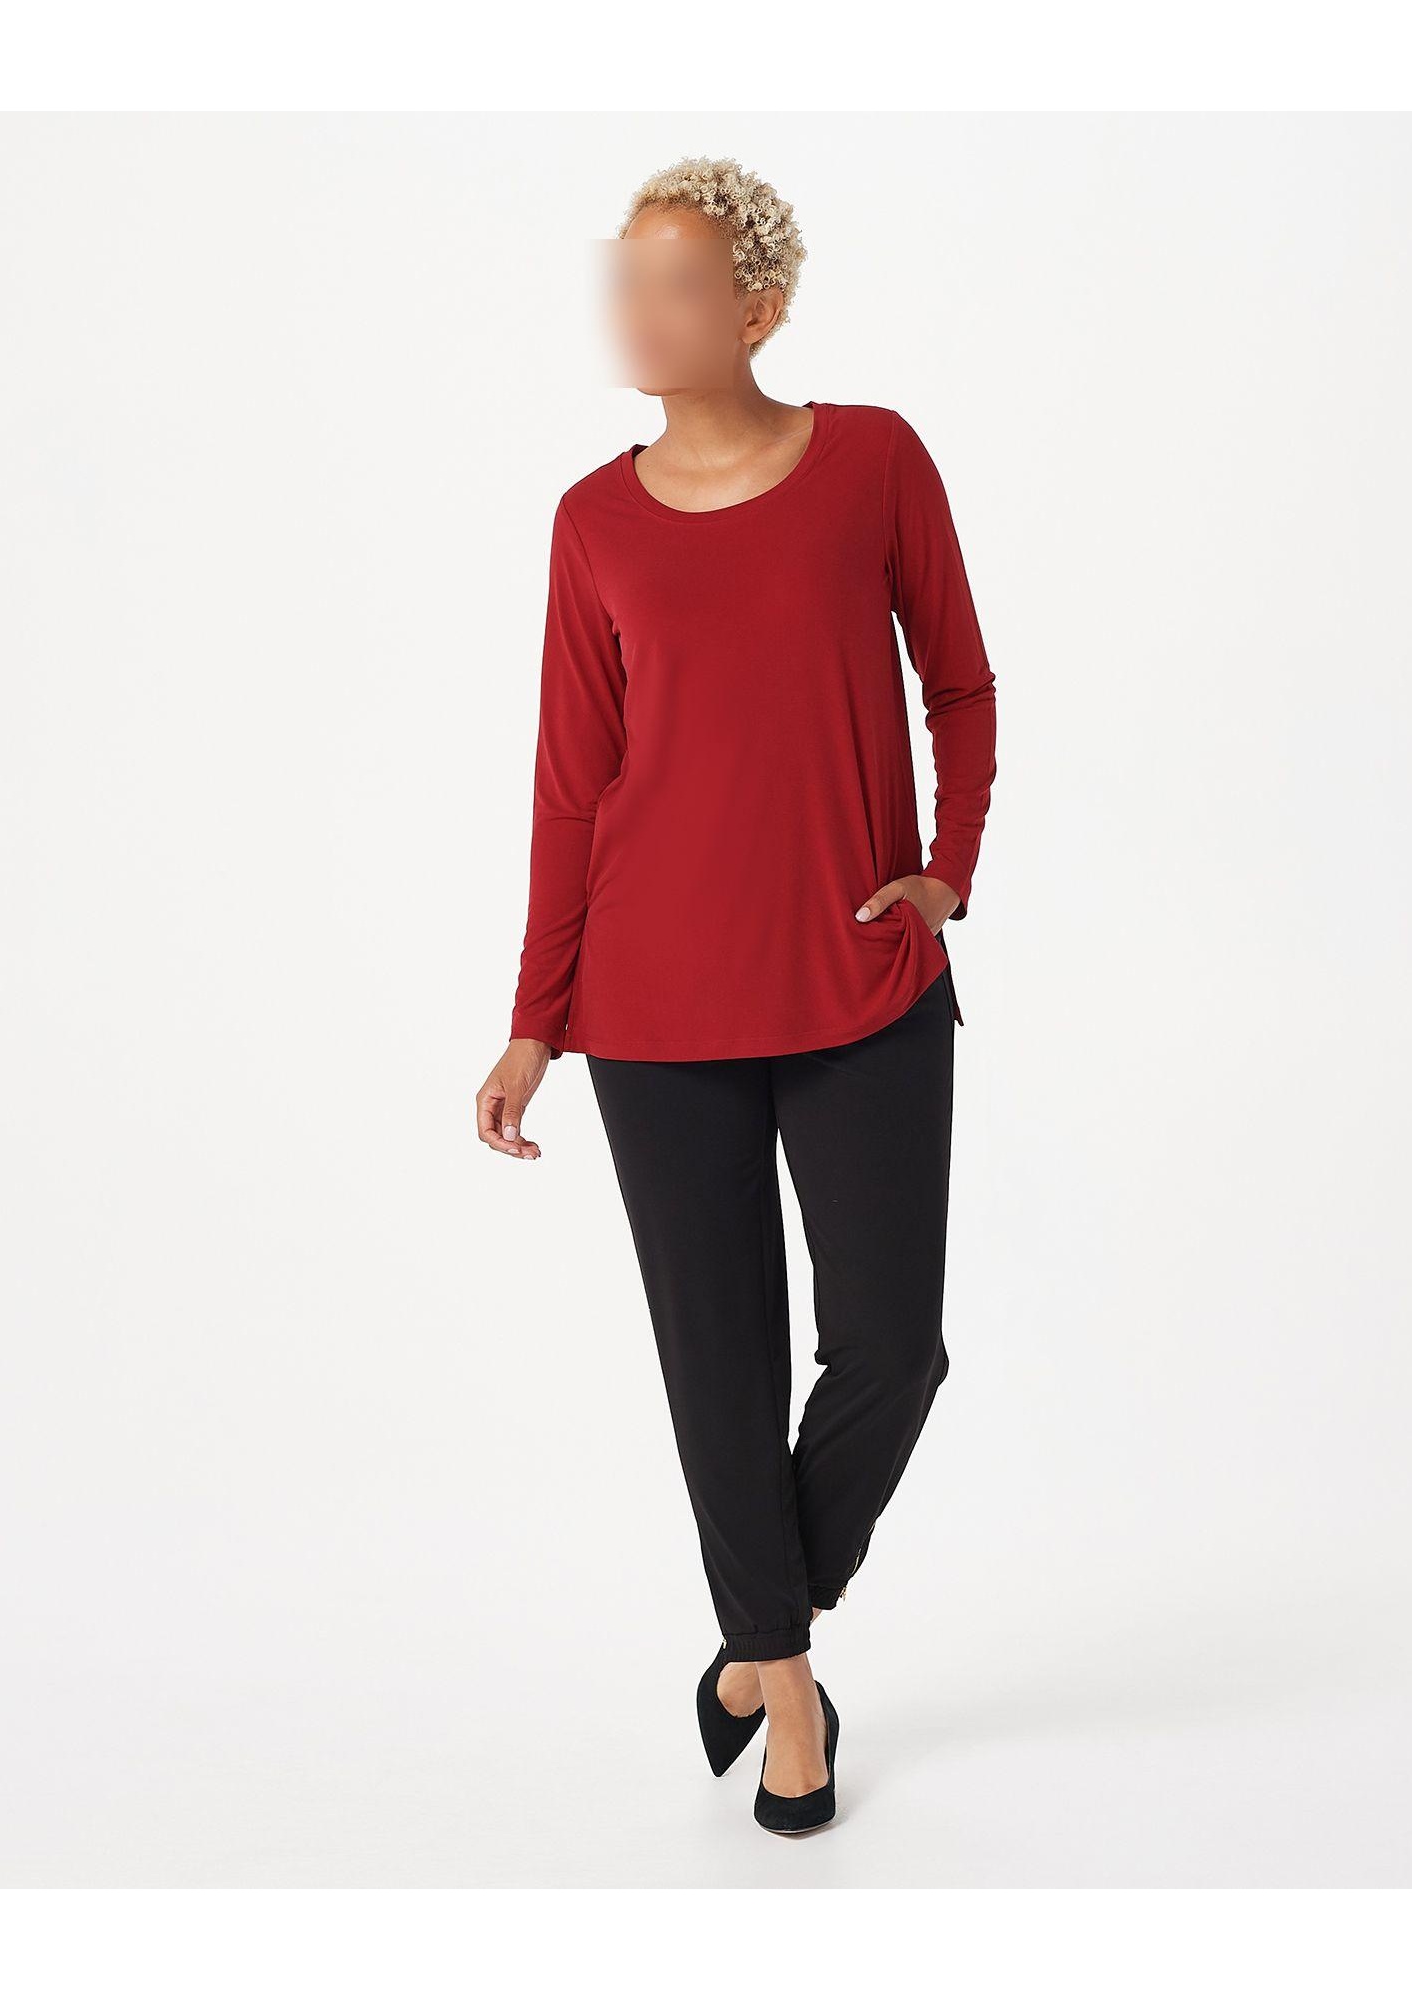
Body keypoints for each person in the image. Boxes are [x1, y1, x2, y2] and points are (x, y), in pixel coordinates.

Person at [475, 156, 998, 1836]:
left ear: (759, 309)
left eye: (675, 282)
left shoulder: (875, 460)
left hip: (864, 972)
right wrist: (537, 1017)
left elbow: (961, 682)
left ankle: (758, 1630)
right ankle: (783, 1692)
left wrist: (947, 867)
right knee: (720, 1365)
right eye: (622, 277)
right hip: (654, 1006)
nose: (635, 310)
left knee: (892, 1351)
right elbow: (572, 785)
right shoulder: (593, 522)